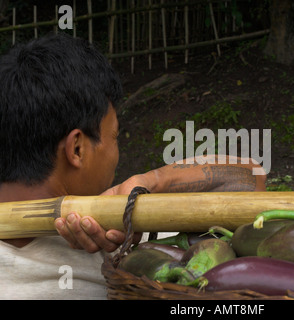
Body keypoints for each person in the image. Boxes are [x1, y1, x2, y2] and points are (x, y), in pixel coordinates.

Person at [0, 33, 266, 299]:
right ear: (77, 149)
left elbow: (251, 179)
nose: (117, 152)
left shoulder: (117, 222)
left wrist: (152, 184)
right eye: (114, 136)